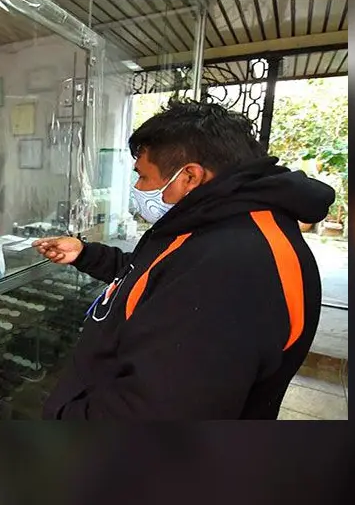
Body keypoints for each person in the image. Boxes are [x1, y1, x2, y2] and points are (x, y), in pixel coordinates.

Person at [33, 101, 335, 419]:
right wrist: (86, 254)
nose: (138, 188)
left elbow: (152, 412)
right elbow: (155, 277)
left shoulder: (235, 266)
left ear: (189, 176)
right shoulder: (211, 224)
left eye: (143, 176)